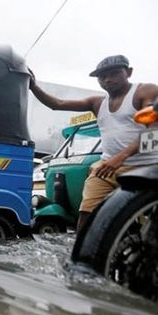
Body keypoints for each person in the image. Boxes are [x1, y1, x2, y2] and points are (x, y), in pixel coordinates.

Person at [29, 55, 158, 231]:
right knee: (86, 212)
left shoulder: (145, 91)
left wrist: (120, 158)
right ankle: (82, 255)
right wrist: (34, 87)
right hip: (107, 167)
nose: (107, 79)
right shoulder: (97, 102)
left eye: (114, 73)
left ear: (129, 72)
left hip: (146, 166)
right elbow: (57, 104)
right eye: (102, 76)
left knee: (146, 217)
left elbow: (153, 131)